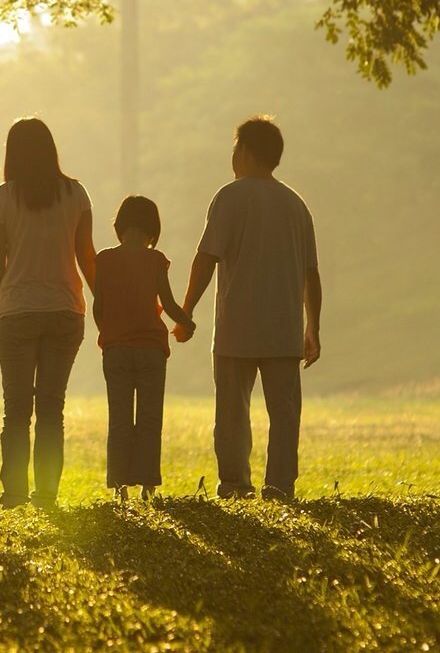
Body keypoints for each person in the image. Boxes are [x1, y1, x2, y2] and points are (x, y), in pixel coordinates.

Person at [179, 115, 322, 501]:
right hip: (283, 328)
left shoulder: (230, 196)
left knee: (232, 414)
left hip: (235, 328)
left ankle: (235, 485)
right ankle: (279, 487)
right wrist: (313, 327)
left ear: (243, 151)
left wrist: (186, 309)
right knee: (285, 414)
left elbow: (205, 258)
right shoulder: (296, 205)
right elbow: (311, 273)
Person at [0, 117, 94, 509]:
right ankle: (46, 494)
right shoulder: (76, 194)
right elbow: (86, 257)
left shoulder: (2, 197)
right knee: (51, 410)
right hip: (65, 311)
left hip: (16, 312)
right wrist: (105, 304)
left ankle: (13, 494)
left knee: (16, 411)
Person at [93, 195, 196, 501]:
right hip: (151, 350)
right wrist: (188, 323)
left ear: (119, 226)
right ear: (153, 229)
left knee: (120, 417)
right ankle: (148, 485)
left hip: (117, 350)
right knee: (150, 418)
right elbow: (168, 304)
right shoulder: (155, 260)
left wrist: (111, 332)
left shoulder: (105, 260)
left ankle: (119, 486)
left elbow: (99, 307)